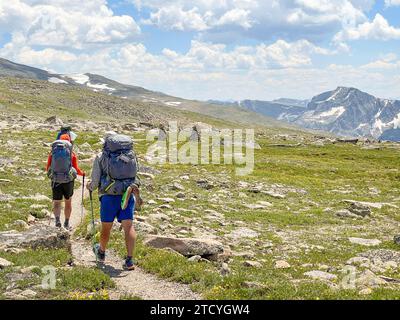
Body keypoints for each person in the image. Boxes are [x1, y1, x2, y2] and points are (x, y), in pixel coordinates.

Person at [87, 133, 141, 271]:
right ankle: (129, 260)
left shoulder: (101, 156)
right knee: (128, 227)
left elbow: (95, 181)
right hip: (127, 195)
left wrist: (90, 186)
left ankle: (102, 252)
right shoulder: (131, 155)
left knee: (106, 227)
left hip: (108, 196)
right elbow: (136, 175)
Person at [46, 134, 85, 229]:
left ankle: (57, 221)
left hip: (56, 180)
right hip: (68, 181)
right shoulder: (71, 154)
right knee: (68, 202)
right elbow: (75, 169)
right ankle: (67, 223)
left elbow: (48, 168)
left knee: (57, 203)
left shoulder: (53, 153)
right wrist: (82, 173)